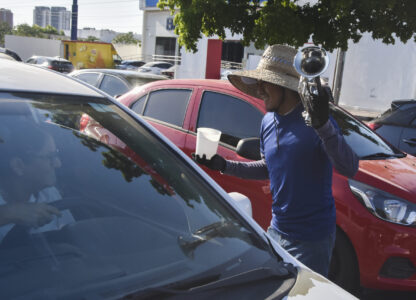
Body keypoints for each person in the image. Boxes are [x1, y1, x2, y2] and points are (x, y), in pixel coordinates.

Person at [194, 44, 359, 277]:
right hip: (277, 229)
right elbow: (268, 167)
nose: (259, 89)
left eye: (265, 82)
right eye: (258, 82)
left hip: (312, 238)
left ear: (284, 85)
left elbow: (350, 167)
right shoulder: (268, 121)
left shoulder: (316, 120)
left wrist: (323, 126)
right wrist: (224, 166)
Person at [0, 123, 62, 243]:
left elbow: (70, 234)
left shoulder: (49, 193)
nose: (58, 164)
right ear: (18, 165)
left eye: (56, 154)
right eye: (50, 157)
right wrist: (8, 213)